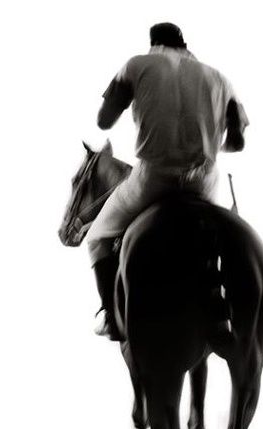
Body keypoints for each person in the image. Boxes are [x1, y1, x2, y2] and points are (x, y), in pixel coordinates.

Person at [86, 22, 249, 340]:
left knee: (97, 236)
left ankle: (110, 316)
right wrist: (213, 143)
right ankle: (228, 304)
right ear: (184, 44)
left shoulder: (136, 65)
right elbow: (238, 143)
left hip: (152, 180)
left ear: (154, 44)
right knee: (226, 232)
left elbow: (103, 121)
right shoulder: (221, 79)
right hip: (204, 183)